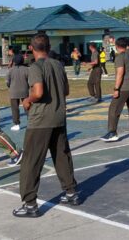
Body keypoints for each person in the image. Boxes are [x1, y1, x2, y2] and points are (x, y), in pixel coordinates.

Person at [13, 33, 79, 218]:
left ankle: (30, 204)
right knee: (61, 156)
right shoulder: (58, 65)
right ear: (49, 47)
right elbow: (66, 90)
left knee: (31, 161)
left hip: (40, 120)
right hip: (58, 117)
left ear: (32, 49)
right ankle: (71, 192)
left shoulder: (35, 66)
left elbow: (39, 91)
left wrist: (27, 99)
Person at [101, 37, 129, 142]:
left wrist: (116, 88)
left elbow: (120, 73)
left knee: (114, 109)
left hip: (124, 87)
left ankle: (112, 132)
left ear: (117, 46)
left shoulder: (120, 57)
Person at [7, 54, 30, 131]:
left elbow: (7, 82)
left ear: (14, 61)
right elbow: (30, 81)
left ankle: (16, 124)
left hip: (13, 91)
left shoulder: (10, 70)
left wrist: (10, 86)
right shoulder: (27, 69)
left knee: (15, 108)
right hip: (25, 90)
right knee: (27, 106)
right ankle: (31, 122)